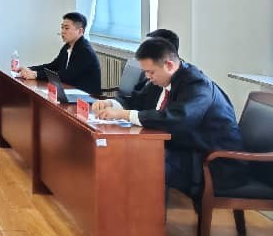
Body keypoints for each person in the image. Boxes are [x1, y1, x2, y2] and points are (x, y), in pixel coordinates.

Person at [93, 38, 244, 196]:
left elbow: (179, 119)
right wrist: (111, 103)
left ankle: (144, 212)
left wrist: (125, 114)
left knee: (141, 162)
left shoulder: (197, 85)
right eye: (145, 72)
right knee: (124, 155)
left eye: (151, 72)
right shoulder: (162, 80)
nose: (148, 77)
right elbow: (137, 100)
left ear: (169, 65)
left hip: (212, 163)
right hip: (184, 151)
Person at [18, 12, 101, 95]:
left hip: (86, 97)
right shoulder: (67, 46)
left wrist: (36, 74)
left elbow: (67, 75)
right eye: (62, 28)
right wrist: (29, 69)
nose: (62, 31)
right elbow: (53, 66)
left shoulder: (85, 51)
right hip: (69, 90)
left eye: (66, 28)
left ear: (80, 31)